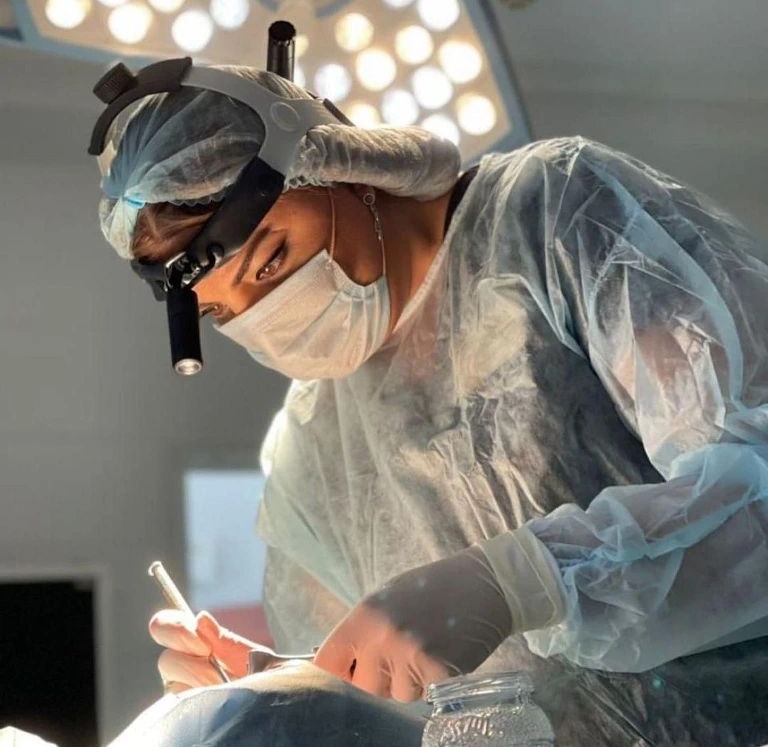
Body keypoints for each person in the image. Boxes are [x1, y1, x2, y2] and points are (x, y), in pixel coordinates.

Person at [95, 65, 768, 746]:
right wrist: (288, 688)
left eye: (270, 261)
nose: (263, 315)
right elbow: (385, 705)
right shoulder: (311, 447)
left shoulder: (554, 216)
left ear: (341, 169)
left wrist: (527, 580)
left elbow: (757, 482)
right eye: (219, 311)